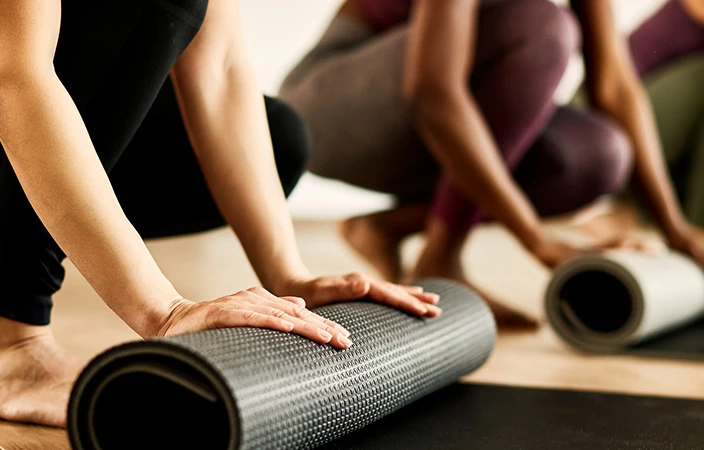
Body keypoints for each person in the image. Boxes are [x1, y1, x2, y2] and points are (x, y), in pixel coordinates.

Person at [0, 0, 441, 428]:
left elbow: (218, 73)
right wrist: (163, 313)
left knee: (281, 138)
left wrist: (288, 275)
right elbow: (9, 78)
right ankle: (4, 339)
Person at [279, 0, 704, 325]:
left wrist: (677, 228)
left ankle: (385, 228)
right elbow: (434, 93)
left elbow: (613, 87)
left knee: (596, 156)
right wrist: (538, 240)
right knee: (542, 25)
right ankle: (442, 257)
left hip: (424, 110)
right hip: (332, 107)